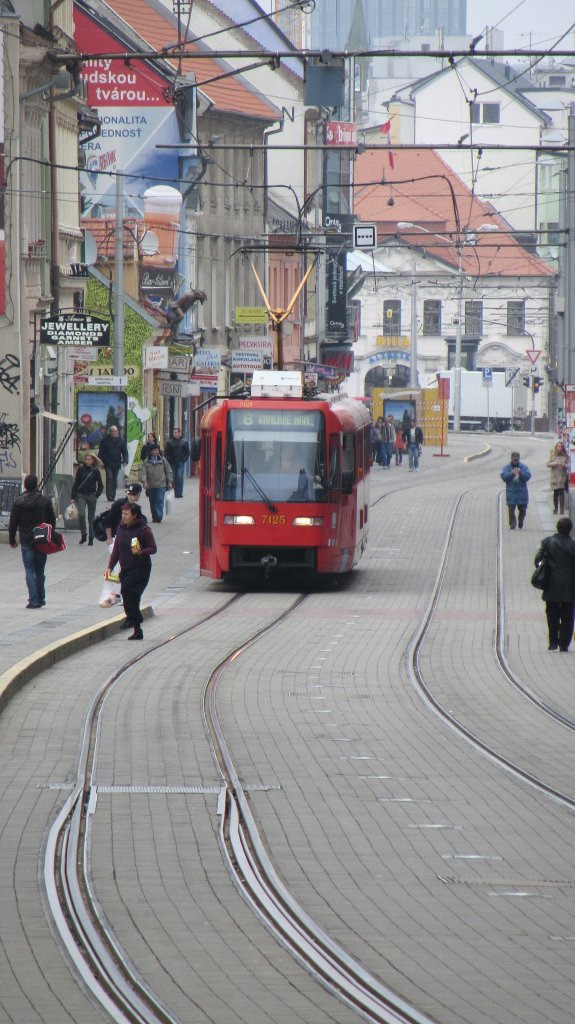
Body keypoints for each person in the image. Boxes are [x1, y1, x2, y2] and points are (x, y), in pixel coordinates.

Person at [106, 503, 156, 640]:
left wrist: (141, 552)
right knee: (132, 597)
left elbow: (153, 548)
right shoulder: (121, 528)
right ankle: (137, 629)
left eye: (126, 514)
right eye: (123, 514)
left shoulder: (143, 529)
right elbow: (116, 550)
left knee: (127, 590)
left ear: (135, 515)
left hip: (141, 568)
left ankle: (133, 619)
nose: (123, 517)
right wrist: (110, 566)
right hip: (126, 568)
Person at [8, 474, 56, 608]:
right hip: (41, 539)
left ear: (25, 485)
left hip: (26, 539)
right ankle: (41, 598)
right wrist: (50, 534)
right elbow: (52, 520)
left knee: (29, 570)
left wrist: (12, 539)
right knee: (40, 570)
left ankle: (33, 599)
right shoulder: (44, 500)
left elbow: (13, 523)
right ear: (36, 485)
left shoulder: (18, 501)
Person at [534, 517, 575, 652]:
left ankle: (553, 642)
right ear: (570, 529)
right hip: (569, 586)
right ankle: (564, 643)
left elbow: (537, 560)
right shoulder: (573, 545)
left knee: (552, 614)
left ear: (557, 528)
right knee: (568, 616)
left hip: (551, 584)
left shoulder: (548, 542)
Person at [71, 452, 103, 545]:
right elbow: (76, 483)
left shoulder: (95, 471)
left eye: (89, 460)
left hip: (91, 495)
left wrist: (96, 495)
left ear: (93, 461)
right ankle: (83, 534)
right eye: (86, 459)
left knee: (91, 518)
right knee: (81, 514)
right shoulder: (81, 469)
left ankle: (91, 537)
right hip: (81, 495)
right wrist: (73, 496)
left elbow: (100, 485)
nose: (87, 461)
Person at [138, 443, 173, 523]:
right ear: (151, 451)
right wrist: (144, 482)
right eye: (154, 450)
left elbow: (168, 471)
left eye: (157, 450)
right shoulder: (146, 462)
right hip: (150, 485)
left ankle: (159, 516)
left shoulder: (163, 460)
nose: (156, 452)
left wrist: (170, 482)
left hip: (161, 484)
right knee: (152, 502)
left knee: (159, 500)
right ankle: (154, 515)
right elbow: (143, 473)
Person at [501, 451, 531, 529]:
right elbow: (504, 477)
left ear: (519, 459)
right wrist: (512, 473)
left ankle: (521, 520)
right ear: (511, 459)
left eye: (517, 459)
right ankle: (512, 523)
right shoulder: (506, 467)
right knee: (511, 509)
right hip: (511, 492)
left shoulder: (524, 467)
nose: (515, 461)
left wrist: (521, 473)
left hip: (522, 492)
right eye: (514, 459)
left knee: (523, 510)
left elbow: (528, 476)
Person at [98, 425, 129, 501]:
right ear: (110, 432)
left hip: (116, 463)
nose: (116, 433)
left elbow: (125, 451)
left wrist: (125, 460)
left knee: (114, 479)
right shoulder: (104, 441)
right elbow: (101, 452)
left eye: (116, 431)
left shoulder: (121, 441)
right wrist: (100, 462)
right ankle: (109, 496)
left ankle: (113, 495)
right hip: (107, 463)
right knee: (110, 477)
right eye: (114, 431)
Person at [164, 427, 190, 498]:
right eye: (173, 432)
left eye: (176, 432)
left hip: (180, 462)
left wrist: (184, 460)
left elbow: (187, 452)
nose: (174, 434)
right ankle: (175, 491)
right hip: (172, 462)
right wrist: (168, 460)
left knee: (179, 477)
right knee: (173, 477)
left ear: (179, 433)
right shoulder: (169, 442)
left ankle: (179, 492)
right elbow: (166, 452)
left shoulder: (184, 442)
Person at [547, 441, 569, 516]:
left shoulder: (565, 456)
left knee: (561, 493)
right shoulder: (553, 455)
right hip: (555, 477)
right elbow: (548, 464)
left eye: (561, 446)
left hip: (562, 477)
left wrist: (565, 466)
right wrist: (555, 463)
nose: (560, 448)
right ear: (556, 447)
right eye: (558, 446)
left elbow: (568, 465)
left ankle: (561, 509)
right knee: (555, 493)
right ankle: (555, 508)